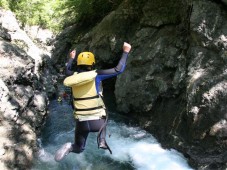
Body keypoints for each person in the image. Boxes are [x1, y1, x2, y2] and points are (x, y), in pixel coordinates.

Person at [54, 42, 132, 161]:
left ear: (78, 64)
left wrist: (71, 59)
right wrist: (126, 52)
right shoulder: (96, 75)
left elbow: (66, 70)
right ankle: (101, 140)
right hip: (98, 123)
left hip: (81, 122)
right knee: (104, 116)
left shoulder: (72, 76)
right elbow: (118, 69)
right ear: (92, 64)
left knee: (79, 148)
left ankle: (69, 147)